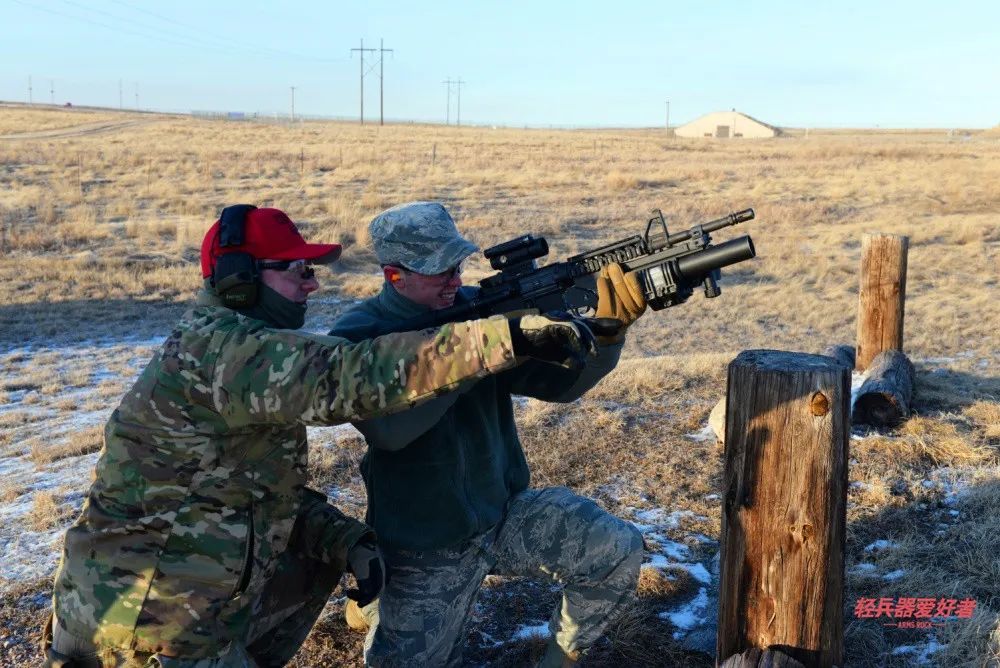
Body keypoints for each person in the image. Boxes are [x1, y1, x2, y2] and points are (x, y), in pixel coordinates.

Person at [43, 205, 597, 667]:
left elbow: (248, 492)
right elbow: (350, 377)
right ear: (240, 280)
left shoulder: (239, 352)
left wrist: (341, 540)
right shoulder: (223, 353)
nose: (311, 283)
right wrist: (499, 337)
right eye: (296, 270)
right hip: (141, 625)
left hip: (179, 607)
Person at [329, 201, 648, 667]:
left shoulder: (479, 312)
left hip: (504, 515)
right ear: (395, 275)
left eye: (457, 266)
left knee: (617, 550)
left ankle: (559, 659)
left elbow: (558, 386)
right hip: (426, 544)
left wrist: (607, 337)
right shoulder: (361, 337)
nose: (455, 281)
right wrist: (470, 354)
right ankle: (376, 604)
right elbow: (389, 431)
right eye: (439, 272)